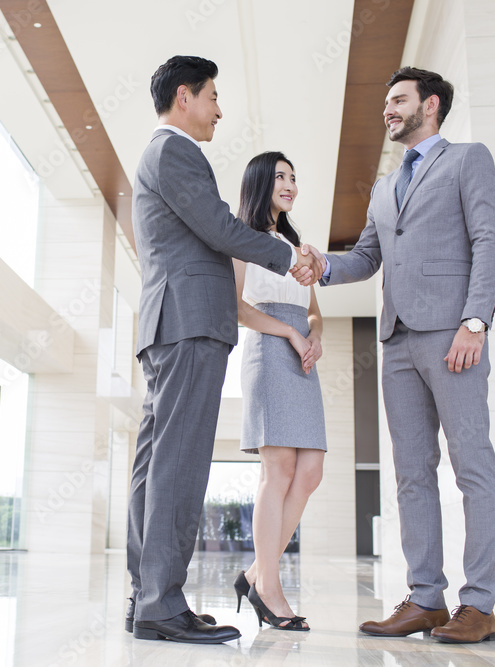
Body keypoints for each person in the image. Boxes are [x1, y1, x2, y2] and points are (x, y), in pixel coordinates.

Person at [304, 66, 495, 643]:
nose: (388, 110)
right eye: (387, 102)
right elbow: (366, 257)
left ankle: (480, 604)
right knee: (411, 474)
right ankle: (425, 598)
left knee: (473, 467)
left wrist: (475, 321)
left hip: (453, 336)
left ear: (432, 104)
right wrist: (323, 264)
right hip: (395, 342)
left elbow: (490, 240)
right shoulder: (385, 186)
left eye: (398, 100)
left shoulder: (469, 161)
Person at [126, 55, 322, 645]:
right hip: (189, 323)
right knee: (178, 464)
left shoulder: (161, 155)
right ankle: (160, 603)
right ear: (184, 96)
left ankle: (149, 597)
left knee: (155, 464)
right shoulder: (175, 151)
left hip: (172, 323)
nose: (218, 109)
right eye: (212, 96)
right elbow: (217, 226)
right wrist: (287, 256)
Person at [231, 152, 326, 632]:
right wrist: (288, 334)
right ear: (260, 183)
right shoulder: (243, 240)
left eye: (294, 176)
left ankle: (252, 574)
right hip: (268, 350)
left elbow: (312, 310)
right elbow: (239, 308)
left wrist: (314, 334)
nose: (289, 184)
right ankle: (269, 587)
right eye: (280, 176)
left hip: (301, 355)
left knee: (310, 470)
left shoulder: (300, 248)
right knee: (280, 467)